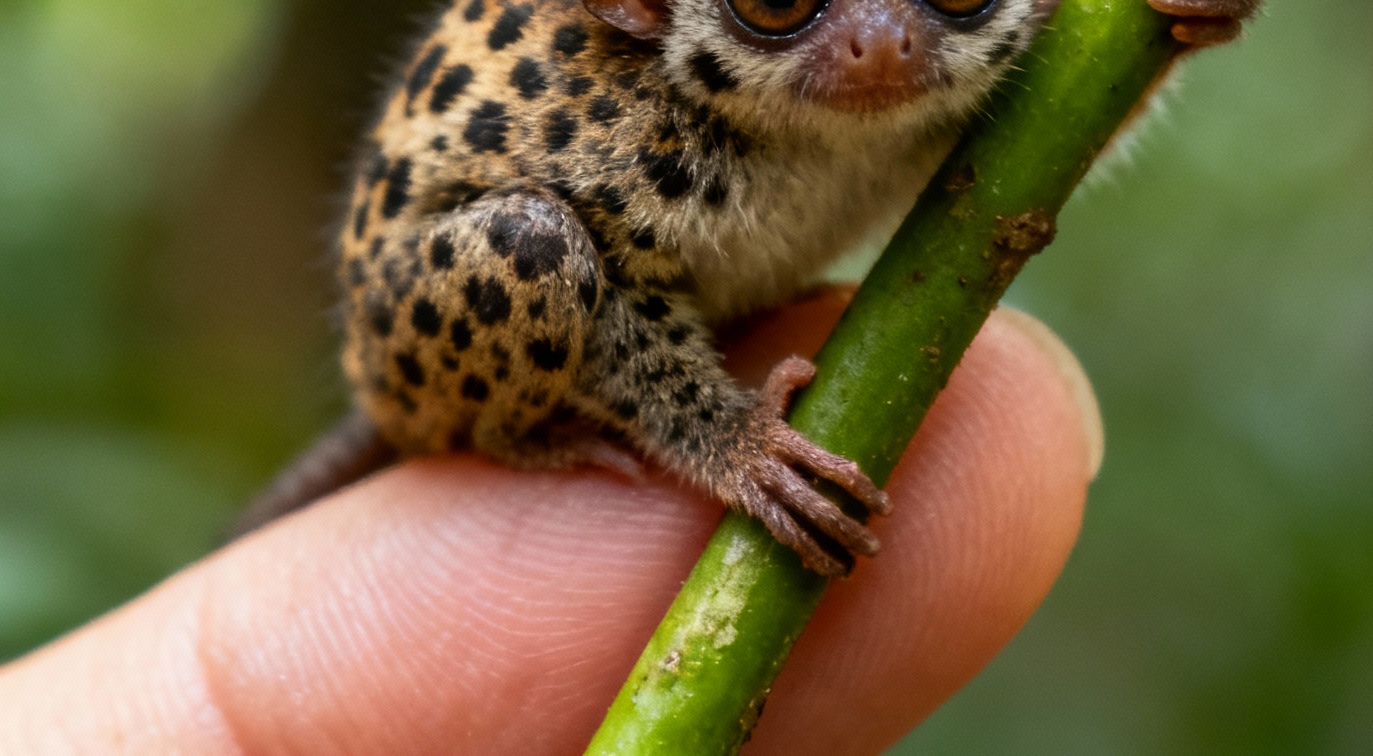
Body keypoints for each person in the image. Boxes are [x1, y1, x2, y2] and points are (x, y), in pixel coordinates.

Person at [0, 291, 1102, 755]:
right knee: (540, 246)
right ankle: (519, 416)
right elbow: (600, 292)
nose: (877, 43)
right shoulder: (656, 124)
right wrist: (725, 440)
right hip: (473, 301)